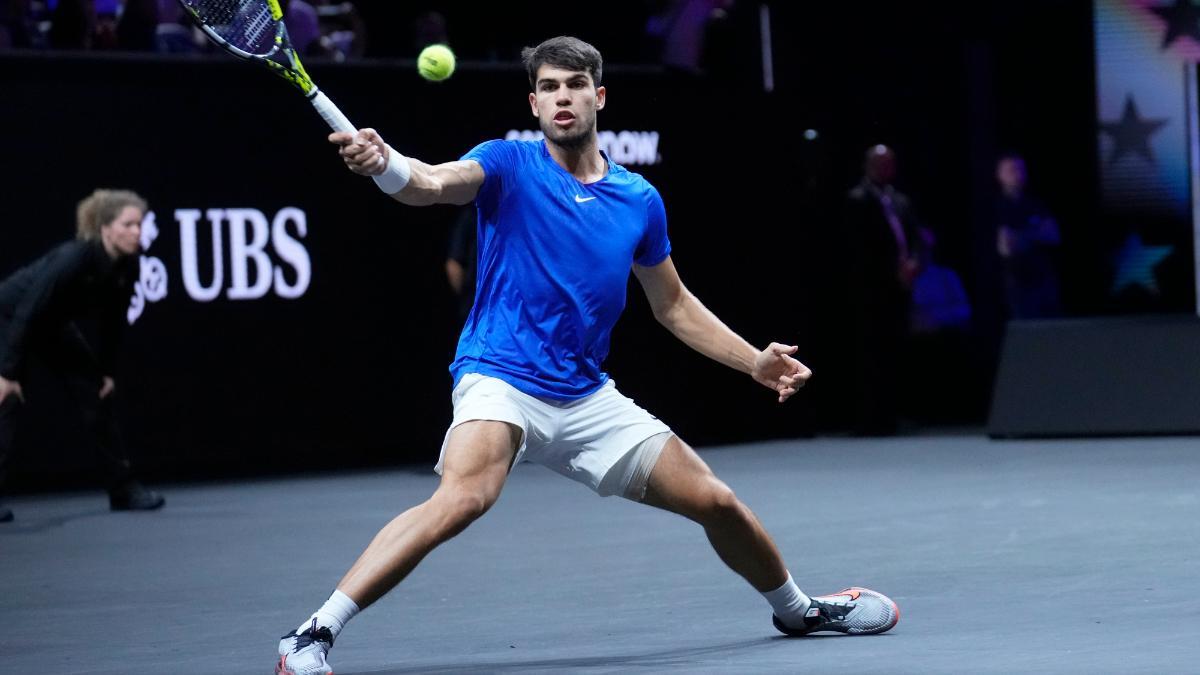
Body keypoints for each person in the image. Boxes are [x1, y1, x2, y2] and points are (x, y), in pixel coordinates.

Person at [275, 36, 898, 675]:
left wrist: (753, 362)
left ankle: (798, 609)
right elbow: (430, 184)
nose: (561, 98)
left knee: (716, 501)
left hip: (584, 392)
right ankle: (311, 635)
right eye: (548, 88)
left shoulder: (639, 200)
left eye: (573, 86)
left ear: (598, 97)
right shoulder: (508, 164)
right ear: (534, 102)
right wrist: (384, 164)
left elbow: (674, 305)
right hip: (500, 375)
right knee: (464, 496)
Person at [0, 189, 165, 523]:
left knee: (96, 393)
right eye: (128, 224)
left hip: (51, 324)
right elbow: (29, 310)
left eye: (140, 224)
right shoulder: (74, 257)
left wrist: (105, 372)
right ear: (106, 228)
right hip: (10, 316)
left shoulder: (129, 265)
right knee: (5, 401)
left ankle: (123, 489)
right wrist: (7, 374)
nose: (137, 232)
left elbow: (113, 324)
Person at [843, 144, 923, 436]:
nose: (885, 169)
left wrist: (913, 263)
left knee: (896, 351)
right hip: (871, 292)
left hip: (900, 291)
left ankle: (894, 413)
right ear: (868, 166)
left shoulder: (900, 201)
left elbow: (914, 238)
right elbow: (861, 250)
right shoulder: (857, 200)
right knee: (871, 354)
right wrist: (892, 270)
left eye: (890, 163)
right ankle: (870, 418)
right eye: (880, 164)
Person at [994, 154, 1061, 319]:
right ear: (999, 175)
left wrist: (1020, 236)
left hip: (1044, 277)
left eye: (1020, 169)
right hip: (1016, 282)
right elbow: (1006, 247)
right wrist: (1035, 233)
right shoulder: (996, 207)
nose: (1017, 173)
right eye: (1011, 169)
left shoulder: (1035, 204)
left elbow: (1053, 235)